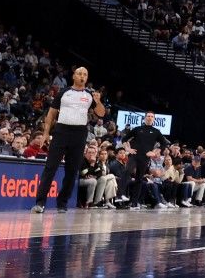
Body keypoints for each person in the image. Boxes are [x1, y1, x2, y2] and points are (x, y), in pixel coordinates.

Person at [32, 67, 106, 213]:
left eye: (85, 74)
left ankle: (62, 203)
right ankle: (40, 203)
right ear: (74, 76)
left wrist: (98, 102)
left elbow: (101, 114)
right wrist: (46, 132)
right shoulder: (64, 92)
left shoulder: (90, 95)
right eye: (79, 73)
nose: (82, 76)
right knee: (50, 168)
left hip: (79, 134)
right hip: (61, 131)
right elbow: (51, 113)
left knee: (72, 171)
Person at [123, 111, 170, 195]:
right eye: (148, 116)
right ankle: (120, 195)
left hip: (145, 158)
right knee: (127, 171)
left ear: (154, 119)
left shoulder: (156, 131)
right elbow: (124, 139)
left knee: (139, 179)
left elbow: (164, 143)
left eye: (152, 116)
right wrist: (127, 148)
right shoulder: (137, 129)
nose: (150, 117)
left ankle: (134, 203)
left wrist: (155, 152)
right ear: (145, 118)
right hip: (134, 155)